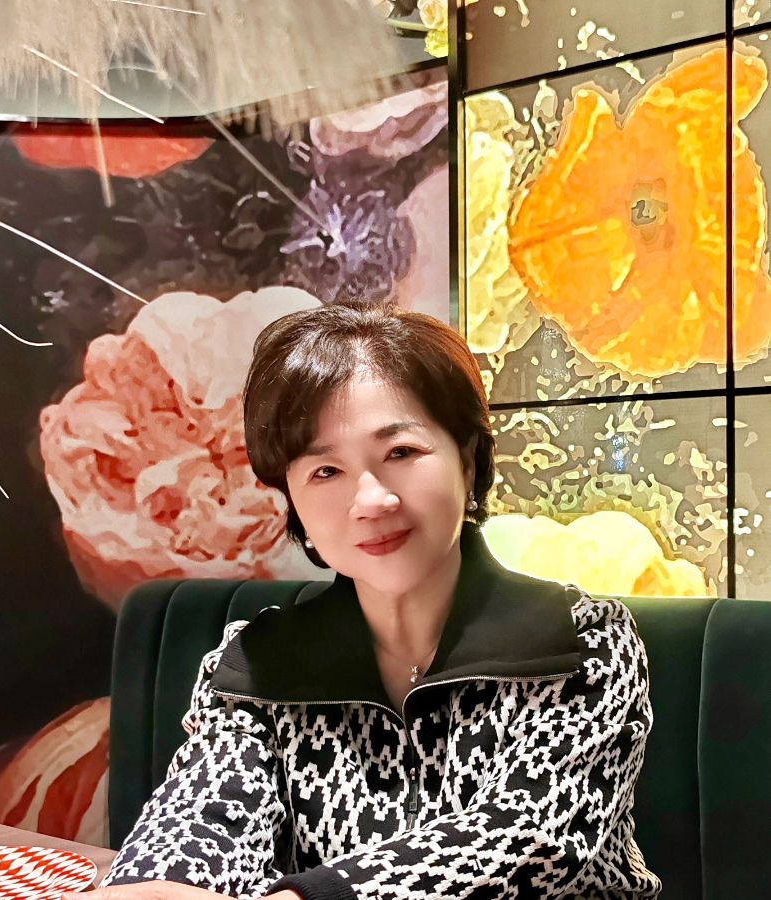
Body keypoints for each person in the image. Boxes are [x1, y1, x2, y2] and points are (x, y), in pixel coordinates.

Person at [73, 299, 661, 900]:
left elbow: (529, 839)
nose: (371, 501)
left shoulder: (581, 643)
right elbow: (205, 814)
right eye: (325, 471)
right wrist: (155, 885)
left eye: (400, 452)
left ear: (467, 459)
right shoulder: (257, 664)